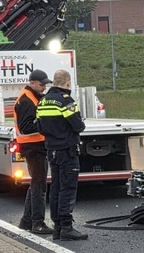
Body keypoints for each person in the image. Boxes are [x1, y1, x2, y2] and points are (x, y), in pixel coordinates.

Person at [36, 69, 88, 241]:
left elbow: (40, 127)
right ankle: (66, 226)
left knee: (56, 187)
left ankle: (57, 226)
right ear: (67, 82)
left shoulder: (42, 102)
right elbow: (78, 126)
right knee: (68, 187)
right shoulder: (66, 101)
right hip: (67, 150)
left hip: (51, 149)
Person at [14, 69, 54, 235]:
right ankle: (38, 223)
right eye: (41, 83)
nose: (44, 86)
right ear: (31, 82)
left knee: (36, 183)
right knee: (39, 185)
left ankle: (26, 220)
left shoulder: (33, 97)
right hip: (32, 146)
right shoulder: (26, 100)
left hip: (36, 145)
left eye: (45, 83)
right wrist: (46, 124)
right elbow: (25, 128)